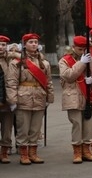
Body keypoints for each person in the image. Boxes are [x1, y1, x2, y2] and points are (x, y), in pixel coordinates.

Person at [5, 33, 55, 164]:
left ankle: (33, 153)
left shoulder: (44, 63)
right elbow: (11, 82)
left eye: (35, 42)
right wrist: (12, 100)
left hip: (39, 97)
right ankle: (24, 154)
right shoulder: (16, 62)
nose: (34, 44)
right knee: (23, 128)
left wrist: (49, 98)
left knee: (35, 129)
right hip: (23, 97)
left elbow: (48, 82)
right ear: (24, 45)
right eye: (30, 42)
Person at [58, 35, 92, 164]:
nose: (83, 52)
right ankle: (77, 152)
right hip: (73, 97)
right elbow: (68, 76)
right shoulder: (65, 61)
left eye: (85, 49)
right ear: (73, 48)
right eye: (79, 49)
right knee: (77, 124)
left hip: (89, 97)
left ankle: (86, 150)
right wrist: (81, 63)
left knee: (89, 125)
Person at [0, 35, 19, 163]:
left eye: (3, 45)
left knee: (7, 128)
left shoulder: (11, 59)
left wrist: (14, 54)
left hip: (8, 99)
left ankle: (4, 151)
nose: (1, 47)